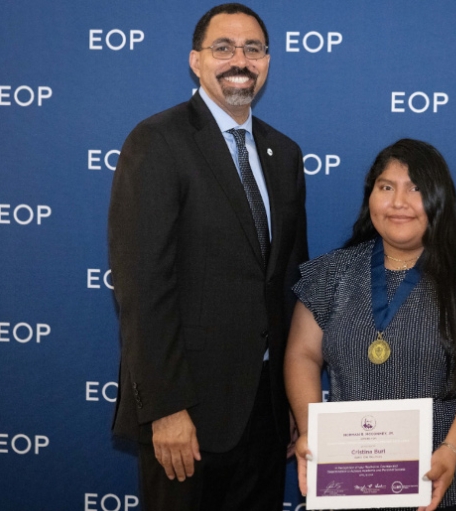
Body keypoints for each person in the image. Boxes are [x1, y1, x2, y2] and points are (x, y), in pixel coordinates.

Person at [107, 3, 308, 510]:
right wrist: (165, 408)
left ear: (267, 62)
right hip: (188, 414)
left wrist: (289, 397)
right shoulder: (157, 141)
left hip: (264, 412)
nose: (239, 59)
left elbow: (287, 283)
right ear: (196, 61)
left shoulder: (283, 154)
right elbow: (143, 285)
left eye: (253, 49)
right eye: (223, 47)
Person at [285, 139, 456, 511]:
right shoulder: (332, 272)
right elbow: (301, 354)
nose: (398, 202)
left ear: (440, 199)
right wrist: (309, 431)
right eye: (386, 187)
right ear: (370, 197)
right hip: (351, 485)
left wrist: (449, 451)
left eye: (415, 188)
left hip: (453, 482)